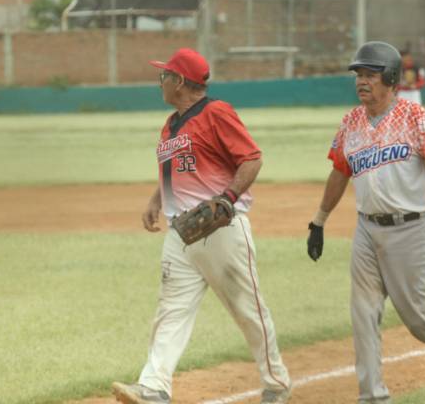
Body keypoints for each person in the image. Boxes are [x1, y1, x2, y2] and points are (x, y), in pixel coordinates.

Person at [112, 48, 292, 404]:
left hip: (220, 230)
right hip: (180, 233)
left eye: (164, 76)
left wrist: (228, 197)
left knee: (248, 310)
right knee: (170, 310)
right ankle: (154, 386)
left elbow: (251, 159)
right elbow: (178, 169)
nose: (160, 81)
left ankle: (276, 382)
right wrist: (156, 199)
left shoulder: (216, 113)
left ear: (179, 81)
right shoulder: (172, 123)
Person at [306, 41, 425, 403]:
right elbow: (340, 172)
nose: (361, 81)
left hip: (411, 229)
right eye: (358, 75)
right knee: (363, 314)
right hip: (367, 230)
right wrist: (319, 221)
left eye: (370, 74)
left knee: (418, 318)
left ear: (389, 78)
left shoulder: (415, 119)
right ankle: (373, 396)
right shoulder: (351, 123)